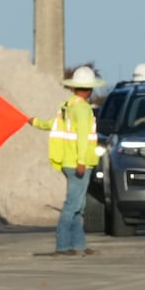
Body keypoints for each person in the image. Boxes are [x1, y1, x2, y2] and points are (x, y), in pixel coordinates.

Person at [30, 64, 101, 257]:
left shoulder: (67, 106)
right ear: (90, 89)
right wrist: (81, 161)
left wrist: (35, 122)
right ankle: (63, 245)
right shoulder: (84, 109)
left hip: (67, 161)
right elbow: (83, 136)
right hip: (79, 163)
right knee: (73, 205)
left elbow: (51, 125)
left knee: (79, 205)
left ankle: (78, 245)